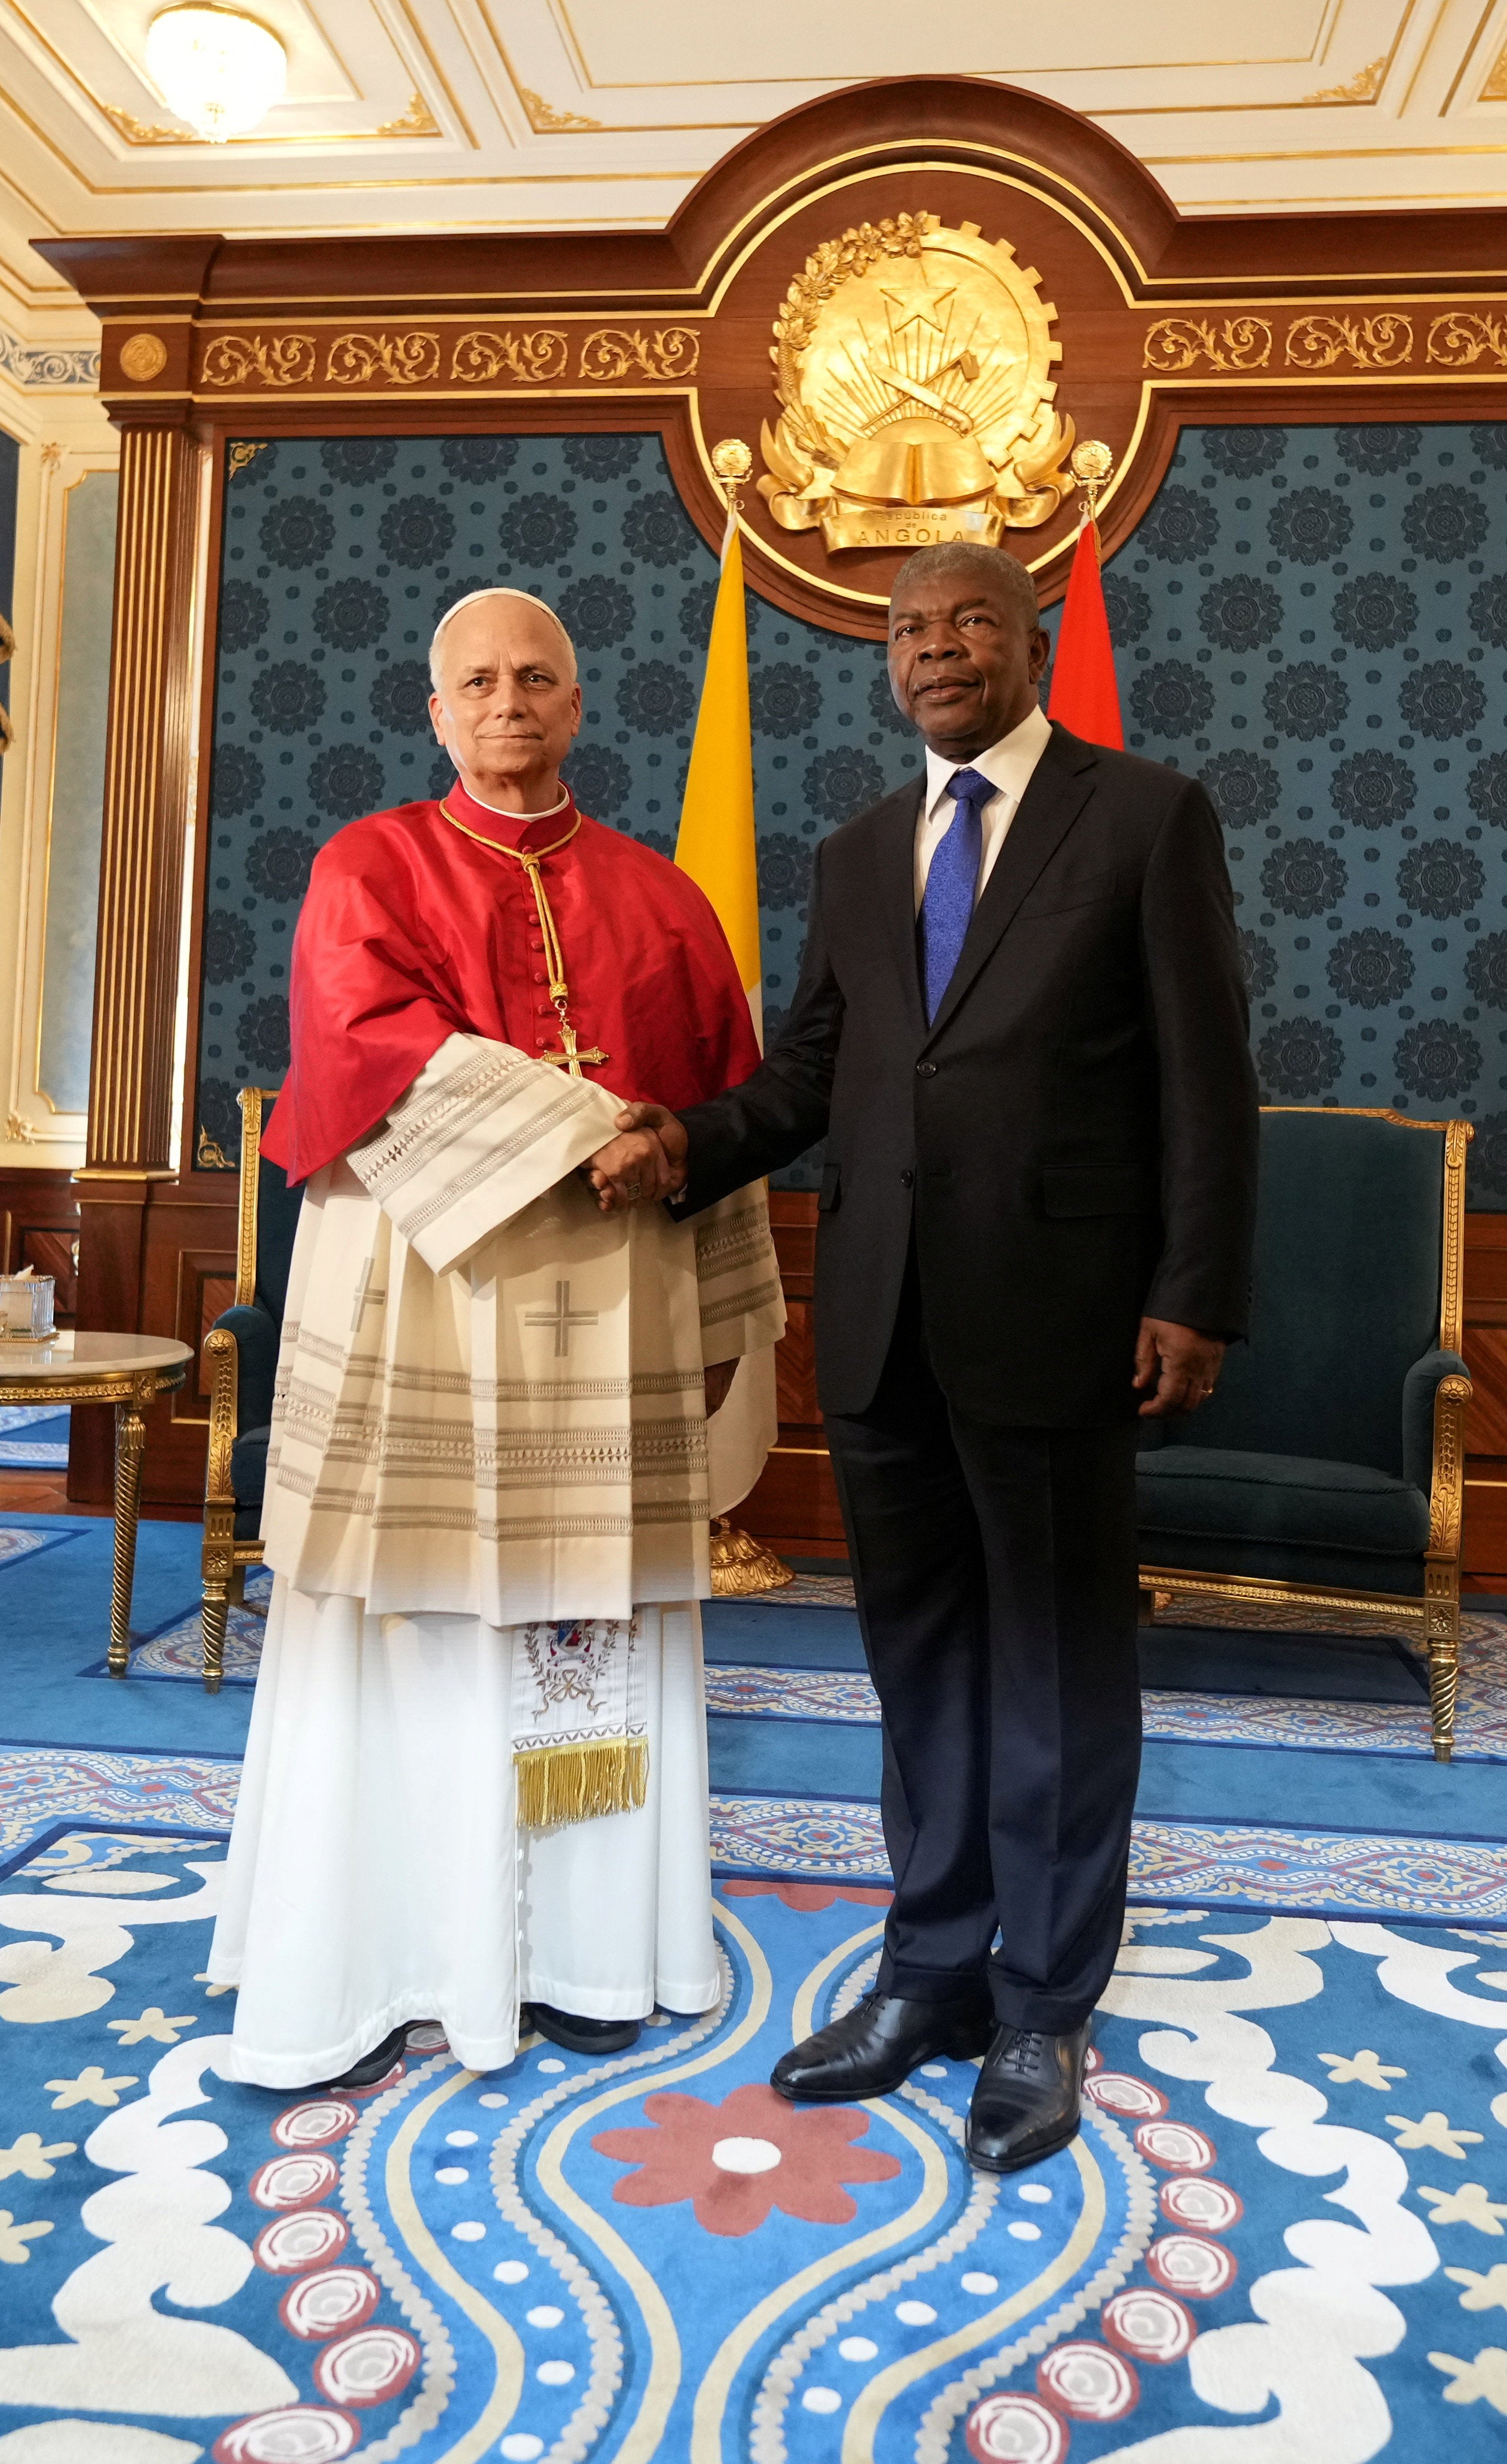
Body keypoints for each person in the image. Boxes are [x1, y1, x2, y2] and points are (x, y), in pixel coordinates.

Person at [592, 540, 1256, 2173]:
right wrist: (684, 1144)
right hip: (880, 1320)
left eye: (966, 620)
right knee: (921, 1666)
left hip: (1064, 1320)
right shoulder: (855, 850)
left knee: (1056, 1668)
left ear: (1028, 639)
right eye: (904, 629)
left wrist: (1195, 1294)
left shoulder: (1144, 815)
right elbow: (809, 1075)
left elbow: (1206, 1074)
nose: (932, 648)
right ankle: (932, 1970)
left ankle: (1042, 2003)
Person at [208, 586, 785, 2093]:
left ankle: (588, 1957)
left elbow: (728, 1110)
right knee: (421, 1626)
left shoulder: (667, 901)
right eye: (477, 681)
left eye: (536, 677)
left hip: (612, 1318)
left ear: (577, 705)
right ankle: (399, 1948)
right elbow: (366, 1048)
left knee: (590, 1628)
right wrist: (589, 1134)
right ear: (436, 711)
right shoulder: (370, 865)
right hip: (429, 1296)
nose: (508, 701)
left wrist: (674, 1181)